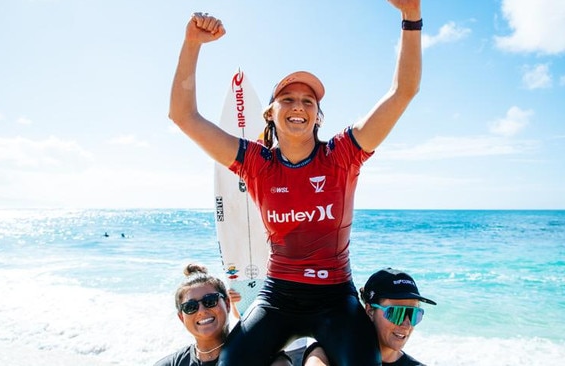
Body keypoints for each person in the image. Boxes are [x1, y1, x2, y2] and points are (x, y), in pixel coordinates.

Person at [169, 1, 422, 364]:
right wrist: (192, 42)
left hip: (335, 298)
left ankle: (316, 353)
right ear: (271, 112)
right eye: (287, 99)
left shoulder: (343, 155)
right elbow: (184, 116)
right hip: (279, 297)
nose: (298, 106)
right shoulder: (257, 163)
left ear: (319, 116)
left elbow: (403, 92)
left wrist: (411, 17)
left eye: (308, 101)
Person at [154, 264, 292, 366]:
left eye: (210, 301)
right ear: (181, 318)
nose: (201, 310)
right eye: (190, 307)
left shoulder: (265, 357)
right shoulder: (171, 364)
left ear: (227, 304)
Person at [303, 268, 436, 366]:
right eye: (397, 313)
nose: (407, 325)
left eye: (414, 315)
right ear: (370, 310)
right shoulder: (328, 354)